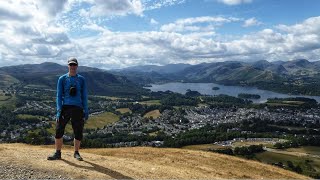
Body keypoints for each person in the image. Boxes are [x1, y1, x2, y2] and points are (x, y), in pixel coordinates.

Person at [48, 57, 89, 161]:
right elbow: (58, 96)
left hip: (78, 108)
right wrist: (58, 111)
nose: (72, 67)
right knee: (58, 130)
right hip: (65, 107)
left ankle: (76, 153)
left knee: (78, 131)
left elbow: (84, 95)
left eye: (74, 65)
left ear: (77, 66)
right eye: (71, 65)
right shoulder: (62, 79)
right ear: (68, 66)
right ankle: (57, 153)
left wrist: (86, 109)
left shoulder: (81, 79)